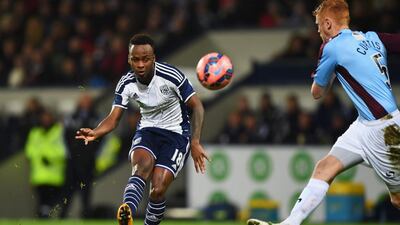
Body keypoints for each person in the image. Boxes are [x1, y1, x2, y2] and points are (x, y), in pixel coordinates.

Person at [247, 0, 400, 225]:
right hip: (364, 124)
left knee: (397, 199)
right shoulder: (372, 37)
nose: (318, 31)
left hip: (384, 132)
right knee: (325, 167)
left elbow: (317, 93)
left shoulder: (331, 47)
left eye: (318, 26)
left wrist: (327, 70)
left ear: (328, 23)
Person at [75, 34, 209, 225]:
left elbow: (198, 106)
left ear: (153, 58)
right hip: (147, 131)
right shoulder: (126, 83)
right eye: (135, 59)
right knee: (140, 168)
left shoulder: (171, 76)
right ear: (129, 59)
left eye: (145, 59)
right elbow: (114, 119)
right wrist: (96, 132)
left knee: (158, 188)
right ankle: (127, 212)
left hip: (176, 135)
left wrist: (195, 142)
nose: (140, 64)